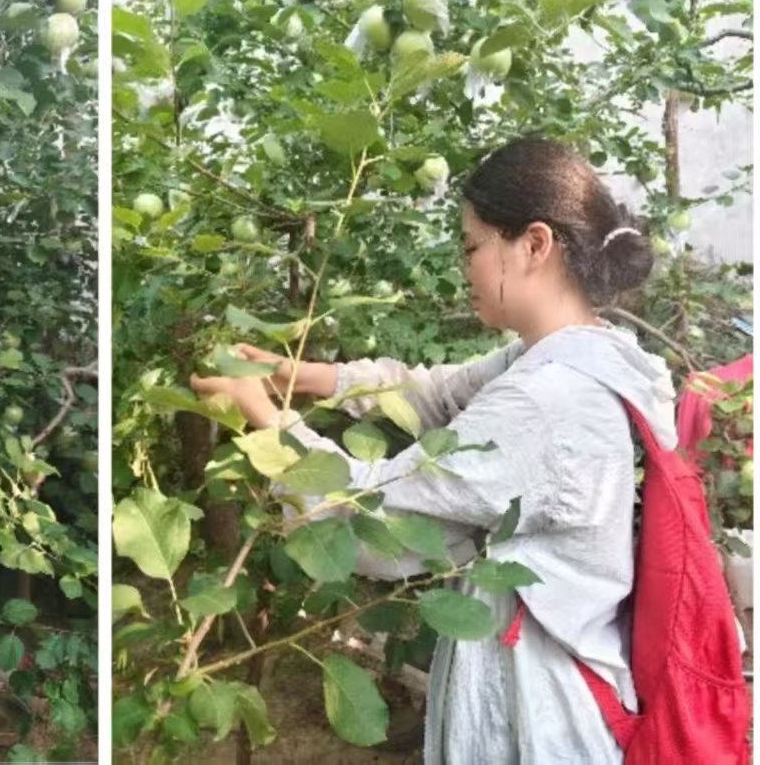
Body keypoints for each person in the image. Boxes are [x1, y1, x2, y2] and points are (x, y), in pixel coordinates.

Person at [191, 138, 674, 765]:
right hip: (557, 677)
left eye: (472, 247)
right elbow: (439, 393)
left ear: (534, 244)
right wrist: (303, 375)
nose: (464, 266)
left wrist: (266, 420)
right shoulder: (579, 354)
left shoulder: (545, 402)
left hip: (540, 720)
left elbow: (376, 517)